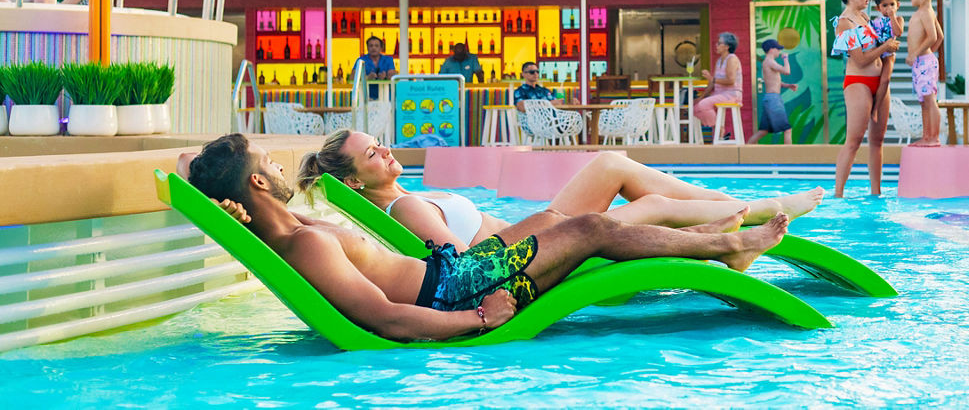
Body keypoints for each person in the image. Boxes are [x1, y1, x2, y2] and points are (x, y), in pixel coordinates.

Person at [187, 133, 789, 342]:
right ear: (261, 181)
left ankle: (715, 237)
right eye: (269, 161)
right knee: (593, 228)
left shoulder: (295, 233)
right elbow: (386, 319)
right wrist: (480, 318)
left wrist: (207, 181)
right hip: (452, 294)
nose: (283, 167)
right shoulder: (306, 244)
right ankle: (725, 245)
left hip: (453, 277)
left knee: (562, 224)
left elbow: (195, 165)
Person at [295, 130, 824, 251]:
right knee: (653, 202)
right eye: (374, 154)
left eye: (382, 145)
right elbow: (460, 265)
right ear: (351, 181)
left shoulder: (397, 203)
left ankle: (741, 213)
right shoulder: (406, 207)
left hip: (538, 228)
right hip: (542, 245)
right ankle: (760, 213)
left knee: (613, 164)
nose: (388, 153)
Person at [831, 0, 899, 198]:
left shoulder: (866, 19)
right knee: (854, 139)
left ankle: (876, 192)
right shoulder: (845, 23)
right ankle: (838, 194)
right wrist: (885, 47)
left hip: (879, 81)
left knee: (878, 139)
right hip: (858, 82)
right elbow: (859, 59)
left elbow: (887, 41)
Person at [906, 0, 944, 146]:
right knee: (923, 101)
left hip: (923, 61)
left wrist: (918, 54)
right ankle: (926, 136)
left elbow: (933, 36)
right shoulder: (924, 12)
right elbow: (940, 37)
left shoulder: (926, 13)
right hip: (923, 62)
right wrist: (928, 55)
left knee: (930, 100)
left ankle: (934, 137)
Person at [868, 0, 904, 152]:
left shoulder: (898, 19)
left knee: (886, 80)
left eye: (892, 4)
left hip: (888, 55)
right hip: (877, 54)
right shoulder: (874, 21)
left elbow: (898, 32)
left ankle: (876, 108)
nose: (888, 8)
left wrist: (892, 17)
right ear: (878, 8)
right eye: (884, 6)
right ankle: (870, 105)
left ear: (898, 5)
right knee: (875, 80)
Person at [748, 39, 797, 145]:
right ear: (771, 49)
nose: (779, 52)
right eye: (778, 49)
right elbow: (787, 71)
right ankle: (789, 156)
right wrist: (785, 59)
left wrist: (787, 85)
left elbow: (774, 81)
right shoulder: (769, 62)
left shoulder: (768, 62)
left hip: (770, 98)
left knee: (763, 131)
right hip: (773, 99)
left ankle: (746, 150)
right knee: (787, 129)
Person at [694, 32, 743, 137]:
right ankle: (718, 132)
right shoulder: (719, 60)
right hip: (718, 94)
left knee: (703, 105)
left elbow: (731, 81)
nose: (716, 45)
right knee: (696, 107)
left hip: (731, 94)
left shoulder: (732, 59)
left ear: (727, 46)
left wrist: (712, 79)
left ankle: (719, 130)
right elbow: (713, 82)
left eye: (719, 43)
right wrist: (701, 97)